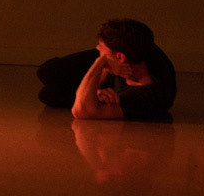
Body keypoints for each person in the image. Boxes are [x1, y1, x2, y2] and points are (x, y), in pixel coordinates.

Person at [37, 18, 176, 121]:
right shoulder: (137, 49)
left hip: (113, 58)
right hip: (116, 56)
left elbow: (80, 111)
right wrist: (97, 90)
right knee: (46, 72)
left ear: (120, 58)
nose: (97, 48)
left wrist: (101, 61)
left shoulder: (145, 98)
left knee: (48, 94)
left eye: (101, 47)